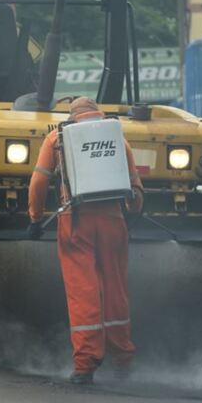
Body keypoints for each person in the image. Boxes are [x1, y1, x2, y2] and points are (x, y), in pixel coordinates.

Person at [26, 97, 144, 384]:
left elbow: (39, 182)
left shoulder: (57, 138)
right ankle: (123, 360)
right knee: (116, 291)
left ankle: (85, 365)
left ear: (73, 115)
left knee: (84, 293)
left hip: (76, 221)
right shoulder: (117, 139)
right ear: (97, 113)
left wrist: (35, 218)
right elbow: (135, 188)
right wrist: (131, 214)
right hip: (113, 221)